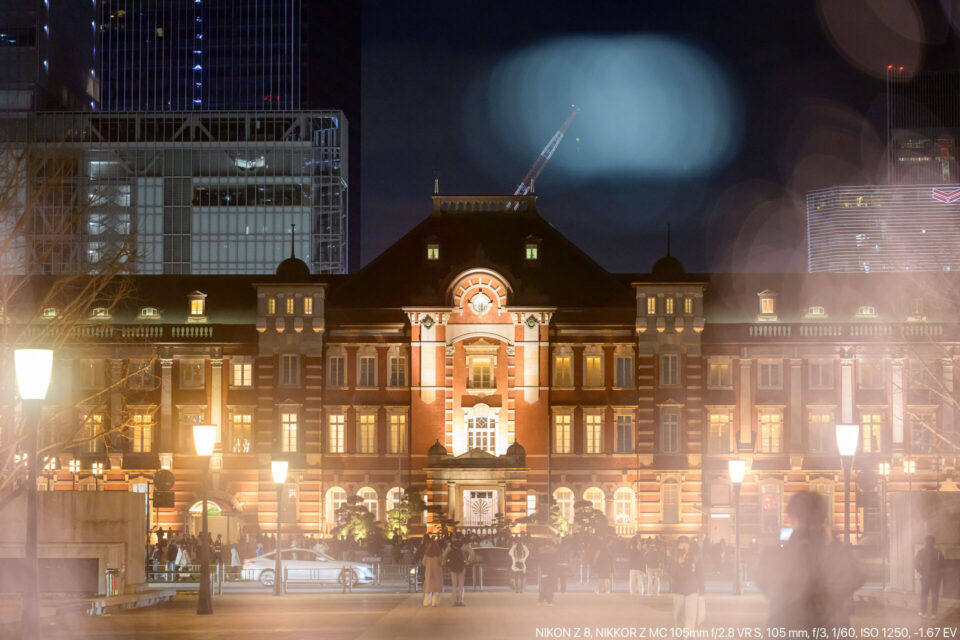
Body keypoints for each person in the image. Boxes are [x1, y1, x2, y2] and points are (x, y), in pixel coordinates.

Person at [757, 491, 864, 633]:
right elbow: (856, 578)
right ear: (823, 520)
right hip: (831, 630)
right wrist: (831, 544)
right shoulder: (836, 555)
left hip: (785, 630)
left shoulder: (773, 556)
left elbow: (766, 585)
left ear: (791, 517)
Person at [669, 538, 705, 629]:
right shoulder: (674, 558)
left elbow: (700, 573)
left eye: (686, 542)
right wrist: (678, 563)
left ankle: (689, 634)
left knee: (691, 615)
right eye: (681, 542)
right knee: (678, 615)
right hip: (678, 590)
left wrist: (701, 588)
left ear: (689, 545)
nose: (684, 544)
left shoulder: (695, 557)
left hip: (691, 590)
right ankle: (679, 633)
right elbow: (670, 572)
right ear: (678, 546)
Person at [914, 535, 944, 619]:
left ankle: (923, 612)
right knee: (935, 595)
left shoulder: (921, 552)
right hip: (935, 577)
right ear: (933, 543)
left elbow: (916, 564)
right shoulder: (938, 552)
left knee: (924, 595)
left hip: (926, 576)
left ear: (925, 542)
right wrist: (939, 575)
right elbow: (941, 564)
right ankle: (934, 613)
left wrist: (922, 572)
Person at [443, 540, 467, 606]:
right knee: (461, 585)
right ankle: (460, 600)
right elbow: (465, 558)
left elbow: (444, 556)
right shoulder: (461, 550)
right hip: (461, 568)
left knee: (454, 585)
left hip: (453, 568)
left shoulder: (450, 550)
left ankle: (454, 601)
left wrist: (447, 548)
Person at [421, 536, 443, 607]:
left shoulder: (427, 554)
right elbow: (442, 563)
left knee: (428, 587)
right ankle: (434, 602)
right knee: (436, 588)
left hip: (429, 573)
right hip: (437, 573)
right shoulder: (438, 554)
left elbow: (423, 563)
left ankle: (426, 602)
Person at [537, 539, 560, 605]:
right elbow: (556, 562)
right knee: (551, 587)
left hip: (545, 571)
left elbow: (541, 563)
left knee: (544, 586)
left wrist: (544, 572)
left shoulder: (541, 553)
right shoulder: (555, 552)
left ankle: (540, 600)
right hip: (552, 572)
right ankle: (549, 601)